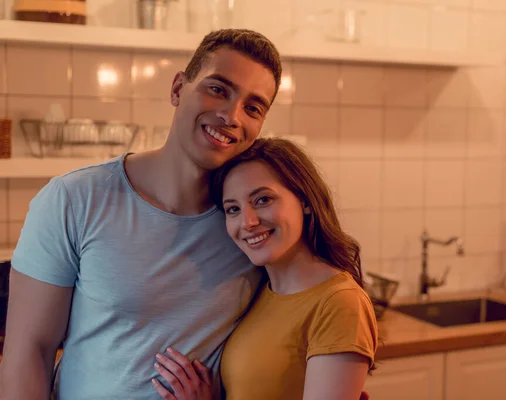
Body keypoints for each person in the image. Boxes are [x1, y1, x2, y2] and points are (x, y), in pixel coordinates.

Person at [0, 29, 282, 399]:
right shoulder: (73, 199)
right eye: (217, 89)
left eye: (253, 107)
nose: (231, 115)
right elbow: (29, 352)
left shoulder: (249, 227)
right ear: (178, 88)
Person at [151, 137, 378, 400]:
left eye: (263, 200)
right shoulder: (260, 291)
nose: (248, 222)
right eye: (233, 209)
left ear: (305, 200)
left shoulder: (339, 303)